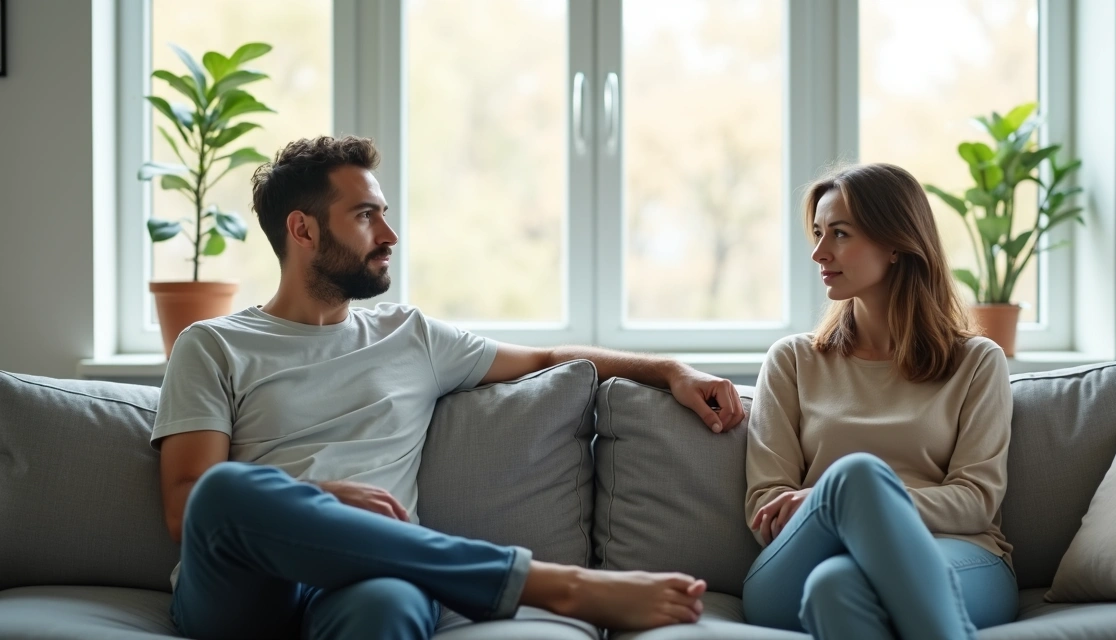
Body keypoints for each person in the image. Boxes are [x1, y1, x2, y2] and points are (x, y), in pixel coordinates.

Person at [153, 135, 746, 640]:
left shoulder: (411, 335)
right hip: (249, 589)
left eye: (383, 213)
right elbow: (189, 506)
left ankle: (490, 579)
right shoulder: (212, 344)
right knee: (224, 490)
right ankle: (552, 585)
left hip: (371, 577)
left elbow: (550, 357)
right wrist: (323, 497)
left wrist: (671, 369)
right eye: (365, 216)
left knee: (389, 604)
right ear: (302, 229)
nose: (388, 234)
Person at [741, 163, 1018, 639]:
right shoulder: (792, 361)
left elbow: (976, 502)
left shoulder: (976, 362)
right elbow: (765, 508)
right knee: (855, 479)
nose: (819, 252)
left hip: (956, 553)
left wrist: (859, 500)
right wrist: (834, 505)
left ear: (896, 243)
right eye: (817, 233)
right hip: (799, 565)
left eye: (839, 234)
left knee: (837, 582)